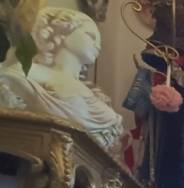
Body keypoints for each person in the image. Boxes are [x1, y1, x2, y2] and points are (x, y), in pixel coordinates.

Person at [0, 7, 123, 151]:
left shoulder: (95, 96)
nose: (97, 45)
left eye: (99, 41)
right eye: (90, 35)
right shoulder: (29, 73)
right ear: (62, 31)